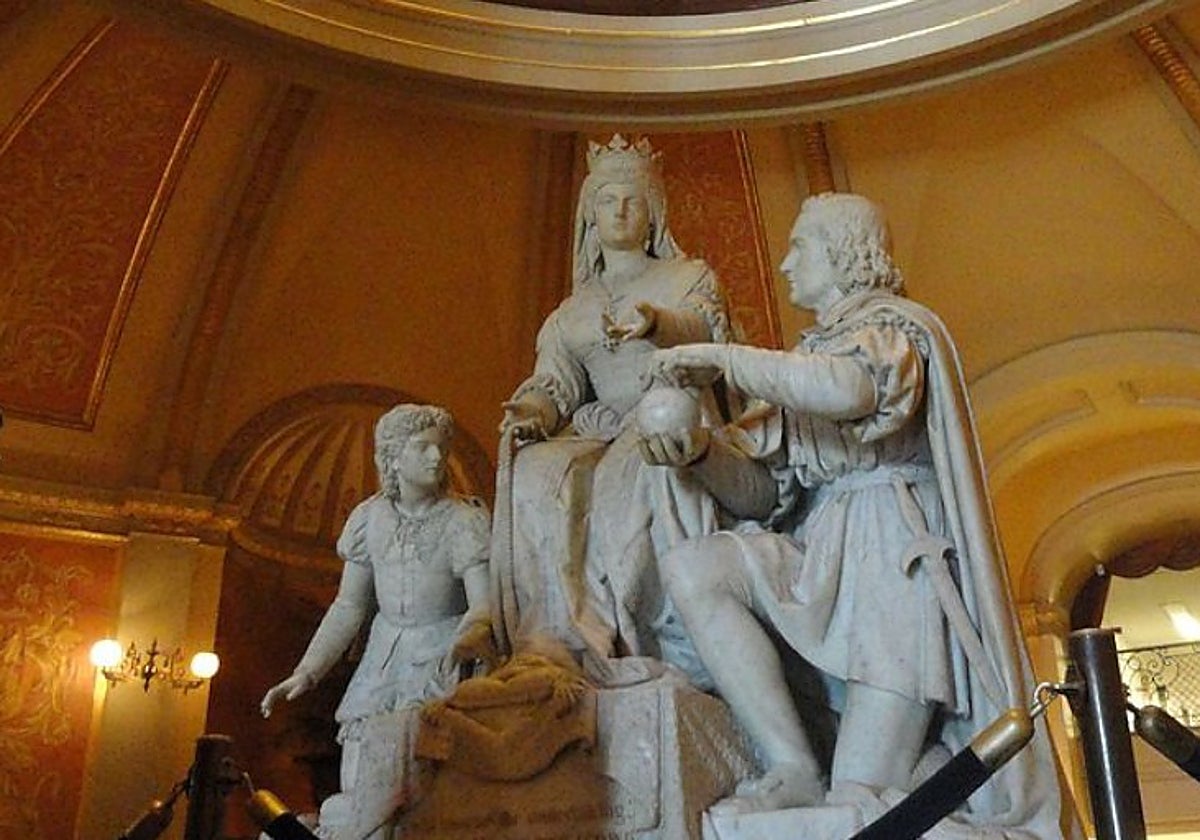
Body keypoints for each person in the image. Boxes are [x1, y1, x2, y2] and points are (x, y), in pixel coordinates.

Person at [641, 193, 1071, 836]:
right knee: (696, 568)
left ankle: (925, 774)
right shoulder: (803, 364)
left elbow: (849, 390)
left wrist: (724, 359)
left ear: (842, 251)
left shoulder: (895, 332)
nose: (785, 265)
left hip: (892, 572)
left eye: (800, 247)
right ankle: (791, 765)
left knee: (862, 797)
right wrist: (699, 451)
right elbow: (763, 496)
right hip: (821, 562)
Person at [494, 134, 731, 679]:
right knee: (535, 470)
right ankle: (555, 638)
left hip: (668, 413)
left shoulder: (687, 277)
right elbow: (555, 381)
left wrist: (657, 323)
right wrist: (531, 411)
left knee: (632, 471)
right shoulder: (570, 311)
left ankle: (635, 634)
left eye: (633, 200)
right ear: (590, 214)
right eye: (607, 200)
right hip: (596, 428)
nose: (620, 210)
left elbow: (705, 335)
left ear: (653, 213)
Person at [260, 404, 492, 840]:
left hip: (442, 654)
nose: (437, 457)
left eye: (441, 448)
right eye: (423, 447)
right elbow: (348, 606)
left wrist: (468, 640)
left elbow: (484, 605)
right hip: (383, 658)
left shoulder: (465, 521)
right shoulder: (368, 519)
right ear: (393, 456)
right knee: (359, 779)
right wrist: (306, 672)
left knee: (424, 794)